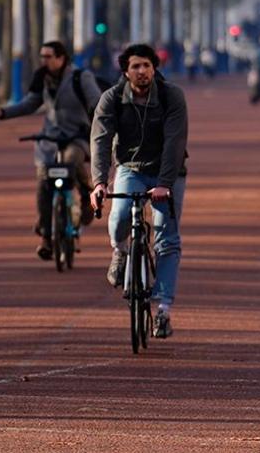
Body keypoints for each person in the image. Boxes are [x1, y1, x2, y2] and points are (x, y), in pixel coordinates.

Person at [90, 43, 189, 339]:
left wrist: (165, 184)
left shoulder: (172, 96)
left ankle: (163, 310)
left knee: (166, 237)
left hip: (167, 173)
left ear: (154, 67)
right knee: (120, 215)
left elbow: (175, 142)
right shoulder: (111, 99)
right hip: (130, 168)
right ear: (125, 71)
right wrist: (98, 182)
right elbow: (101, 140)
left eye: (147, 65)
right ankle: (120, 250)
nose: (142, 71)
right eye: (136, 66)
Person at [0, 40, 102, 260]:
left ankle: (86, 191)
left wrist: (102, 123)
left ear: (61, 57)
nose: (44, 60)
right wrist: (1, 113)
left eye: (48, 56)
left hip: (77, 136)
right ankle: (46, 235)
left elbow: (97, 102)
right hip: (50, 139)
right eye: (42, 56)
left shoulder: (80, 77)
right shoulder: (43, 79)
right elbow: (29, 104)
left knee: (71, 159)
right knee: (43, 181)